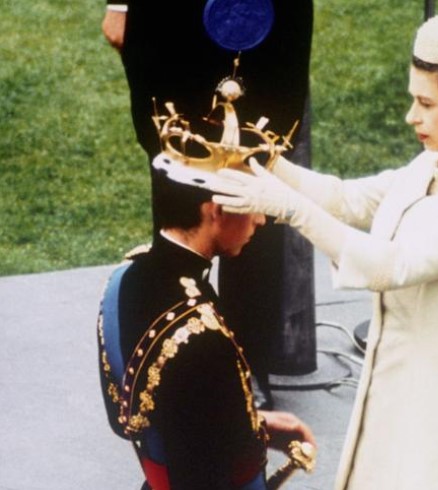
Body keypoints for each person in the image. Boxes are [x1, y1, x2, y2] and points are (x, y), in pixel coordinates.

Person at [204, 10, 438, 490]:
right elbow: (347, 198)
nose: (410, 117)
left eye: (425, 103)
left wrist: (289, 208)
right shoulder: (433, 163)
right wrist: (266, 160)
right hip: (395, 384)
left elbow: (392, 265)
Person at [101, 0, 316, 408]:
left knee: (258, 164)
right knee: (177, 164)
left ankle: (247, 361)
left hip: (270, 17)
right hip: (173, 21)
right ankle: (170, 350)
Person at [96, 164, 315, 489]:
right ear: (215, 211)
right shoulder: (203, 339)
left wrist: (259, 424)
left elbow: (127, 421)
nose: (261, 220)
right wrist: (249, 433)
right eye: (253, 205)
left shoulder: (122, 277)